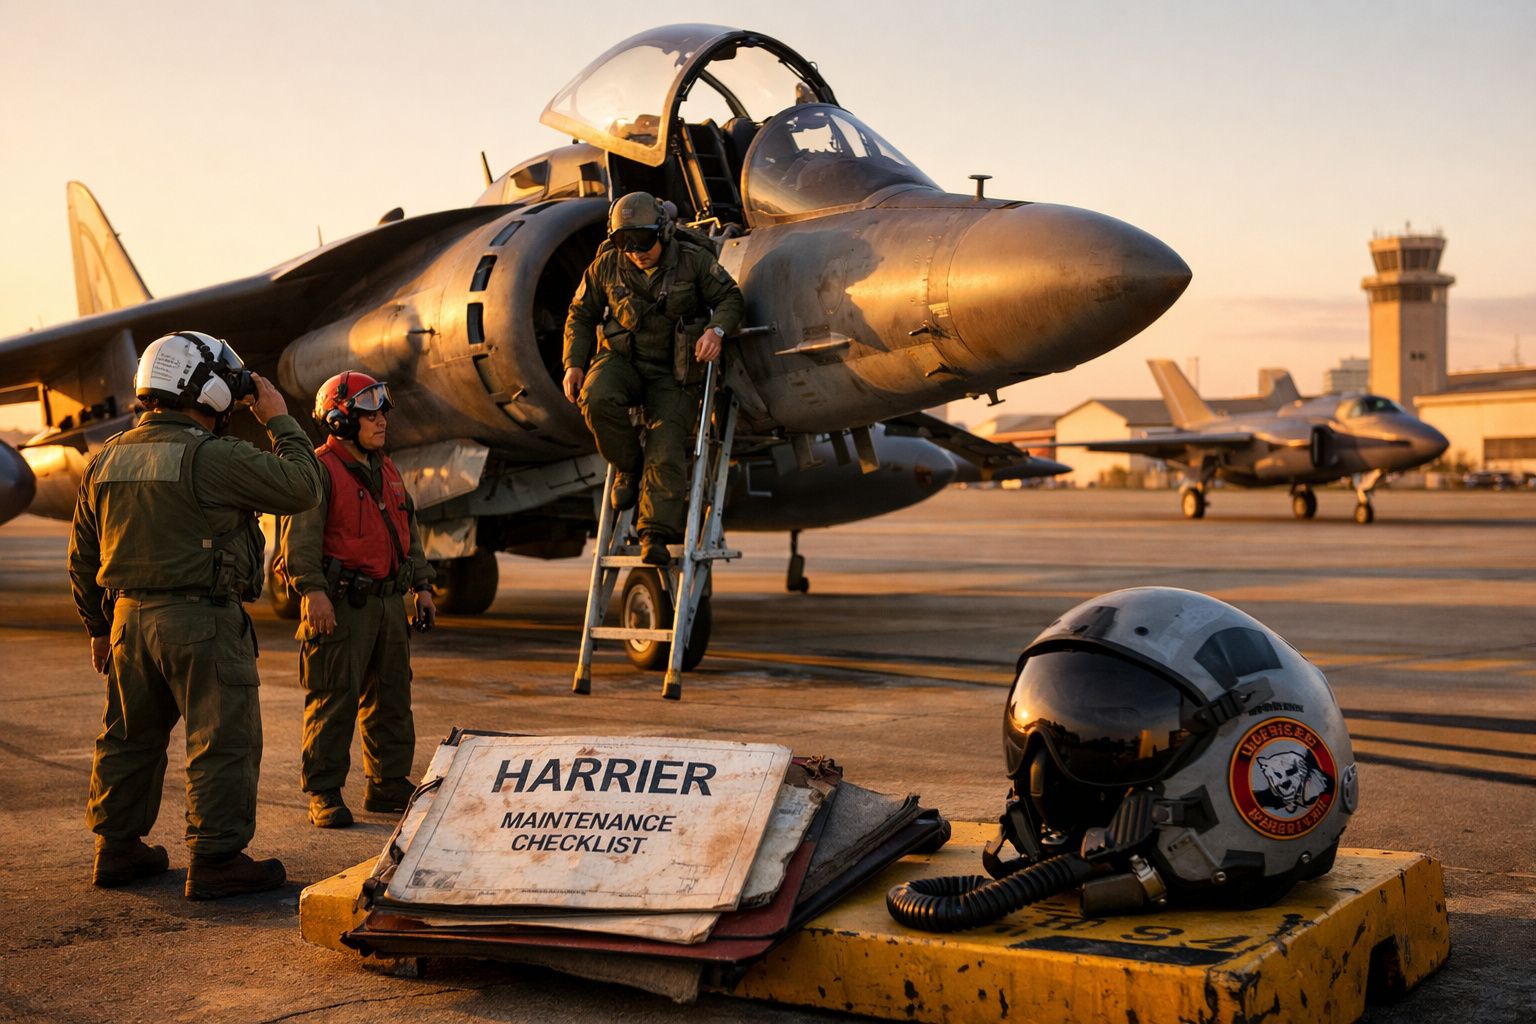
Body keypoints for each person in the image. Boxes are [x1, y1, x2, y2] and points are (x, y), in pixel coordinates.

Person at [68, 330, 323, 899]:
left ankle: (117, 850)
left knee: (129, 738)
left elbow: (83, 556)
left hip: (128, 623)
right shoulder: (214, 457)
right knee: (221, 739)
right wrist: (278, 417)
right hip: (201, 622)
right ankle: (216, 859)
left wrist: (96, 627)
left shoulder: (104, 458)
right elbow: (304, 486)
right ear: (202, 390)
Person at [279, 371, 436, 829]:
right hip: (341, 605)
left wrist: (422, 586)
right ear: (340, 418)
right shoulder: (319, 468)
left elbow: (409, 532)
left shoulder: (386, 467)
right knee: (333, 698)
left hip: (388, 605)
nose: (382, 418)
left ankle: (387, 784)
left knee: (392, 697)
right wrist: (312, 592)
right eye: (370, 411)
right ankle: (324, 792)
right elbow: (299, 541)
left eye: (383, 409)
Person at [562, 192, 744, 565]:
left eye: (642, 241)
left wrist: (716, 331)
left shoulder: (692, 260)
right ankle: (629, 467)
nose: (634, 251)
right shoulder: (606, 266)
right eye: (623, 242)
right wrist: (574, 363)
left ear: (662, 233)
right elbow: (581, 314)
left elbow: (730, 298)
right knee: (596, 397)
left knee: (667, 447)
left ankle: (654, 535)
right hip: (622, 360)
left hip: (673, 372)